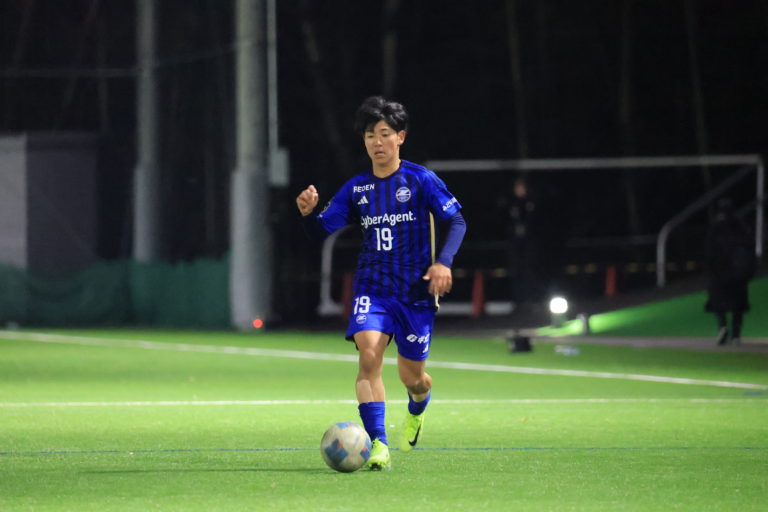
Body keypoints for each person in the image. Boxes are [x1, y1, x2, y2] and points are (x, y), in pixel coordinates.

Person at [296, 96, 466, 470]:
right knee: (369, 355)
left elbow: (456, 221)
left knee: (413, 378)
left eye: (385, 133)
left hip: (415, 294)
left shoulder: (420, 180)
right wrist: (308, 215)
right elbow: (321, 231)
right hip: (372, 289)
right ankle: (378, 444)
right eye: (370, 134)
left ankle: (418, 406)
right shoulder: (357, 189)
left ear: (400, 137)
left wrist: (443, 263)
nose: (377, 141)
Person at [704, 198, 756, 345]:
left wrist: (711, 269)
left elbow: (709, 251)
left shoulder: (715, 227)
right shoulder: (740, 226)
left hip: (720, 271)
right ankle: (736, 334)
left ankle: (723, 327)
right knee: (737, 304)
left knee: (718, 301)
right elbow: (749, 248)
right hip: (737, 273)